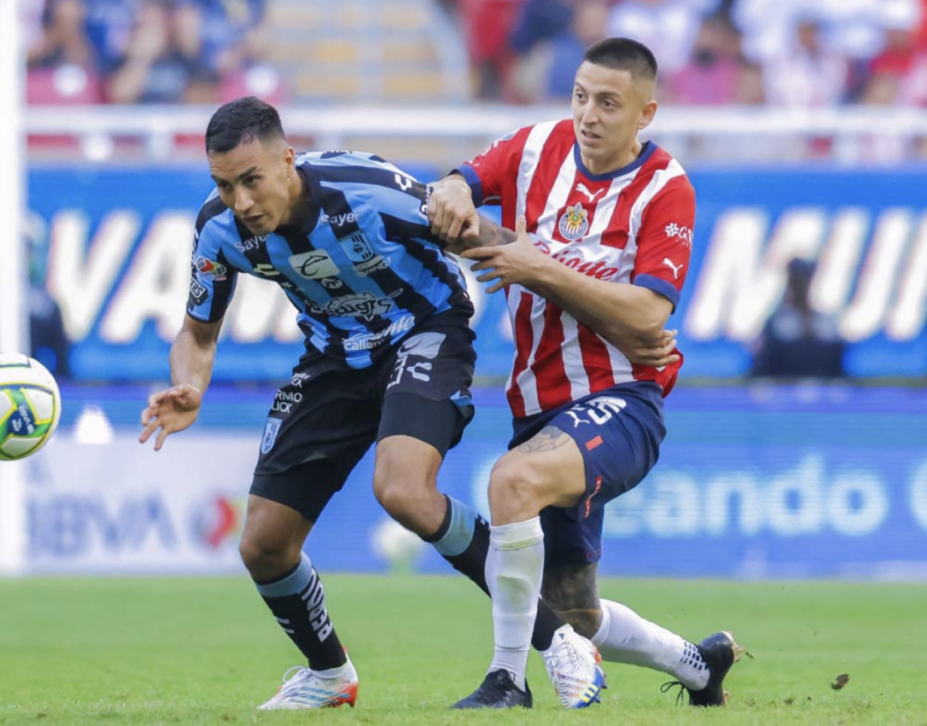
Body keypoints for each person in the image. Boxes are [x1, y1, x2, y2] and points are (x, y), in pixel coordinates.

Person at [138, 96, 648, 711]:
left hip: (425, 329)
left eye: (252, 180)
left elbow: (501, 244)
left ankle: (557, 637)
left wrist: (606, 312)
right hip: (334, 357)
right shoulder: (218, 228)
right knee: (263, 545)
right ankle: (329, 674)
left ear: (287, 161)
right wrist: (190, 384)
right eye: (224, 184)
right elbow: (197, 333)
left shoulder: (371, 193)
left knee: (402, 490)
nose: (241, 201)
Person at [427, 37, 744, 709]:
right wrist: (454, 190)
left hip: (624, 401)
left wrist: (535, 262)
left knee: (509, 481)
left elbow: (647, 313)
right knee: (571, 612)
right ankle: (697, 665)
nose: (588, 114)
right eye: (580, 95)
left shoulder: (666, 189)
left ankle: (505, 683)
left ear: (645, 113)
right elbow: (463, 182)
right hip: (538, 407)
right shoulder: (536, 149)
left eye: (608, 102)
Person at [750, 258, 846, 379]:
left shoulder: (825, 323)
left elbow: (838, 368)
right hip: (784, 393)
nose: (801, 284)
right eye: (797, 279)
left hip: (822, 393)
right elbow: (762, 369)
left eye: (805, 278)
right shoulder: (777, 323)